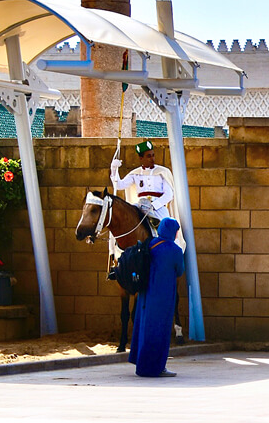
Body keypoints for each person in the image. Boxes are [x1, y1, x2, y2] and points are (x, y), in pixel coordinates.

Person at [129, 217, 185, 377]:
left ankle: (140, 362)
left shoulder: (150, 244)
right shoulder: (175, 250)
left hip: (145, 295)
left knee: (144, 328)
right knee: (159, 331)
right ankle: (155, 367)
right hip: (163, 297)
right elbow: (180, 271)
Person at [111, 140, 177, 222]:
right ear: (141, 158)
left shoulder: (163, 172)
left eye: (153, 155)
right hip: (140, 208)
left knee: (166, 227)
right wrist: (114, 169)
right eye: (148, 156)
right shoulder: (135, 174)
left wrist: (153, 205)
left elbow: (169, 194)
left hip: (158, 208)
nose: (152, 158)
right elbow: (119, 185)